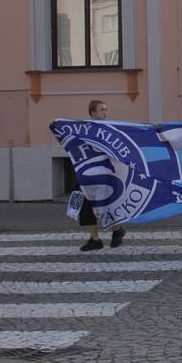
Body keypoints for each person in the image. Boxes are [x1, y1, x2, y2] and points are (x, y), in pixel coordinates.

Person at [79, 100, 126, 252]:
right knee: (84, 204)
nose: (105, 112)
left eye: (106, 109)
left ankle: (117, 229)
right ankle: (95, 239)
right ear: (93, 113)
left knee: (107, 203)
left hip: (105, 173)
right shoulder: (84, 129)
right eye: (101, 110)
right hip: (87, 172)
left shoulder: (109, 129)